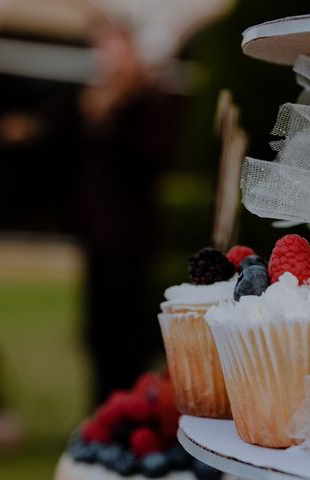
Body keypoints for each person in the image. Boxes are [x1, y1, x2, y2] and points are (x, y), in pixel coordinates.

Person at [77, 22, 179, 404]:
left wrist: (111, 119)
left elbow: (153, 159)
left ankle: (133, 404)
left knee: (127, 331)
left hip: (131, 235)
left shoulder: (150, 99)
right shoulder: (96, 99)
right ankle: (101, 406)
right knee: (98, 330)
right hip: (97, 233)